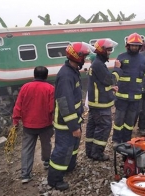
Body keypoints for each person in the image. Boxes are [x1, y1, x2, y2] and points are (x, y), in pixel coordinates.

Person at [48, 42, 95, 191]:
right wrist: (74, 126)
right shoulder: (66, 75)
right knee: (63, 149)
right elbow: (64, 103)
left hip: (74, 119)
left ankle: (69, 166)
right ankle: (54, 180)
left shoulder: (73, 71)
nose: (85, 59)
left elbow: (73, 98)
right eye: (84, 57)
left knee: (73, 147)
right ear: (77, 57)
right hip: (66, 123)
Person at [12, 66, 55, 184]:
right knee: (46, 144)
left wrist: (15, 121)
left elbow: (18, 105)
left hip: (28, 125)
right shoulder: (50, 88)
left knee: (27, 149)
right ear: (46, 76)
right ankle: (46, 161)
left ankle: (25, 174)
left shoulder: (25, 87)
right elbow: (52, 108)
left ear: (34, 75)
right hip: (45, 124)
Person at [85, 38, 121, 161]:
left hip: (95, 103)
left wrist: (110, 88)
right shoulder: (99, 65)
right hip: (101, 104)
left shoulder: (96, 64)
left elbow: (101, 84)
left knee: (92, 128)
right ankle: (97, 154)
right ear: (102, 51)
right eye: (109, 50)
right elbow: (110, 79)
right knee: (103, 128)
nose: (110, 52)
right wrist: (117, 69)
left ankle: (90, 151)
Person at [112, 33, 145, 145]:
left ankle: (126, 140)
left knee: (130, 122)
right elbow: (116, 73)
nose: (135, 47)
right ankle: (116, 140)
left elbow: (143, 75)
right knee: (118, 120)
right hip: (122, 96)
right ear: (128, 45)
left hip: (135, 97)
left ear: (140, 46)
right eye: (132, 45)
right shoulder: (121, 57)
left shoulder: (143, 59)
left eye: (137, 46)